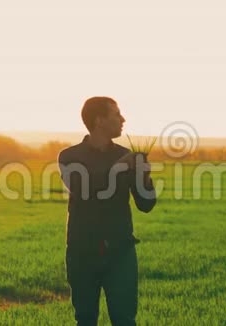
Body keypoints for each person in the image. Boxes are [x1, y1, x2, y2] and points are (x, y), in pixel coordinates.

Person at [58, 96, 157, 326]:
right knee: (85, 320)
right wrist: (119, 169)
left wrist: (144, 176)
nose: (123, 119)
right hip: (82, 253)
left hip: (121, 253)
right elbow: (84, 190)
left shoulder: (126, 156)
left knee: (124, 320)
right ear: (100, 120)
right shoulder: (70, 157)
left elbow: (146, 205)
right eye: (117, 114)